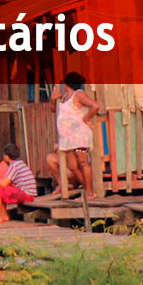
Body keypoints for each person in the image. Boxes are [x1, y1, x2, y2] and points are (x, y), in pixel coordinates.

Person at [46, 72, 103, 200]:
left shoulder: (78, 94)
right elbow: (53, 109)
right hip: (68, 138)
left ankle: (90, 193)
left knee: (83, 162)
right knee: (73, 166)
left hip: (79, 135)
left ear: (66, 84)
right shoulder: (65, 96)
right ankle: (87, 190)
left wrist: (86, 118)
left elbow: (95, 106)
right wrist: (53, 98)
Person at [0, 144, 37, 224]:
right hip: (28, 193)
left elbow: (5, 182)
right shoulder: (19, 163)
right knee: (1, 189)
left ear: (6, 156)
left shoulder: (14, 166)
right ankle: (4, 215)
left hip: (26, 194)